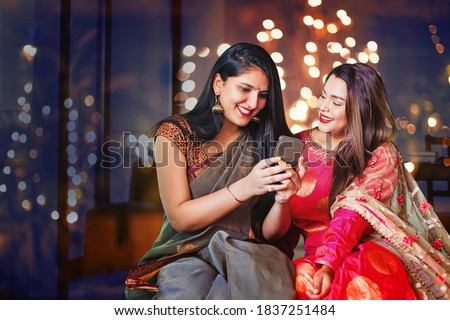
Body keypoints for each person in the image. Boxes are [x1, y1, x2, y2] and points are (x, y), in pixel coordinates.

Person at [124, 42, 303, 299]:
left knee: (244, 281)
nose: (253, 103)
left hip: (246, 254)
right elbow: (180, 218)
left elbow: (268, 232)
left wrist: (283, 201)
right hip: (183, 253)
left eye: (263, 95)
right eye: (245, 89)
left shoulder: (267, 141)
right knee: (186, 288)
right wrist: (247, 186)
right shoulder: (175, 134)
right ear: (218, 84)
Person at [262, 63, 450, 300]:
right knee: (294, 281)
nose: (323, 106)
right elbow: (279, 234)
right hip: (313, 260)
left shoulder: (380, 153)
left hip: (365, 252)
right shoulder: (293, 146)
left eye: (337, 102)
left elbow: (353, 213)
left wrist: (329, 264)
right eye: (323, 96)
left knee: (358, 276)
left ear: (361, 110)